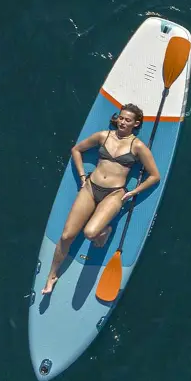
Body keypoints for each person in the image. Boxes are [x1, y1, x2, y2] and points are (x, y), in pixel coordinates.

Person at [41, 104, 161, 295]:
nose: (122, 122)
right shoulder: (103, 136)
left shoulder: (137, 146)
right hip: (90, 188)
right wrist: (82, 176)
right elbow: (76, 150)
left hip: (114, 193)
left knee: (90, 232)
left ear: (136, 124)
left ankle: (105, 230)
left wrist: (133, 192)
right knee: (66, 236)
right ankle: (52, 275)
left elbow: (155, 176)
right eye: (121, 118)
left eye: (127, 120)